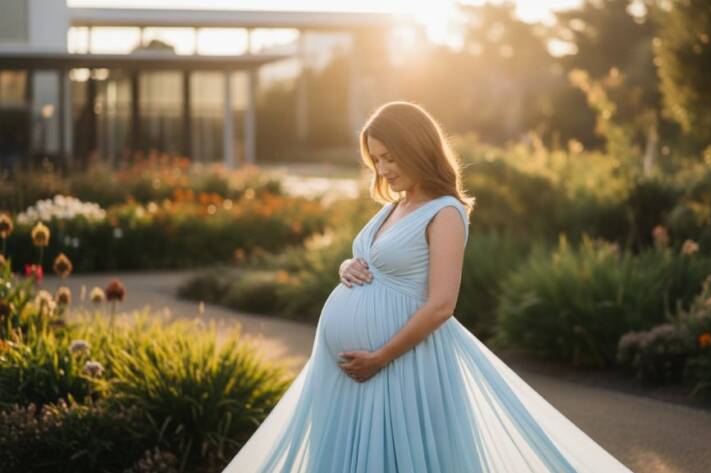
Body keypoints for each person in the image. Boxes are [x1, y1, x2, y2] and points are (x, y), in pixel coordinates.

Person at [222, 101, 633, 472]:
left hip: (401, 366)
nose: (383, 170)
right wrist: (347, 265)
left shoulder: (446, 213)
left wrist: (380, 357)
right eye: (376, 161)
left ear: (417, 147)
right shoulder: (393, 207)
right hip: (351, 372)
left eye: (390, 157)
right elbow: (377, 263)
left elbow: (441, 305)